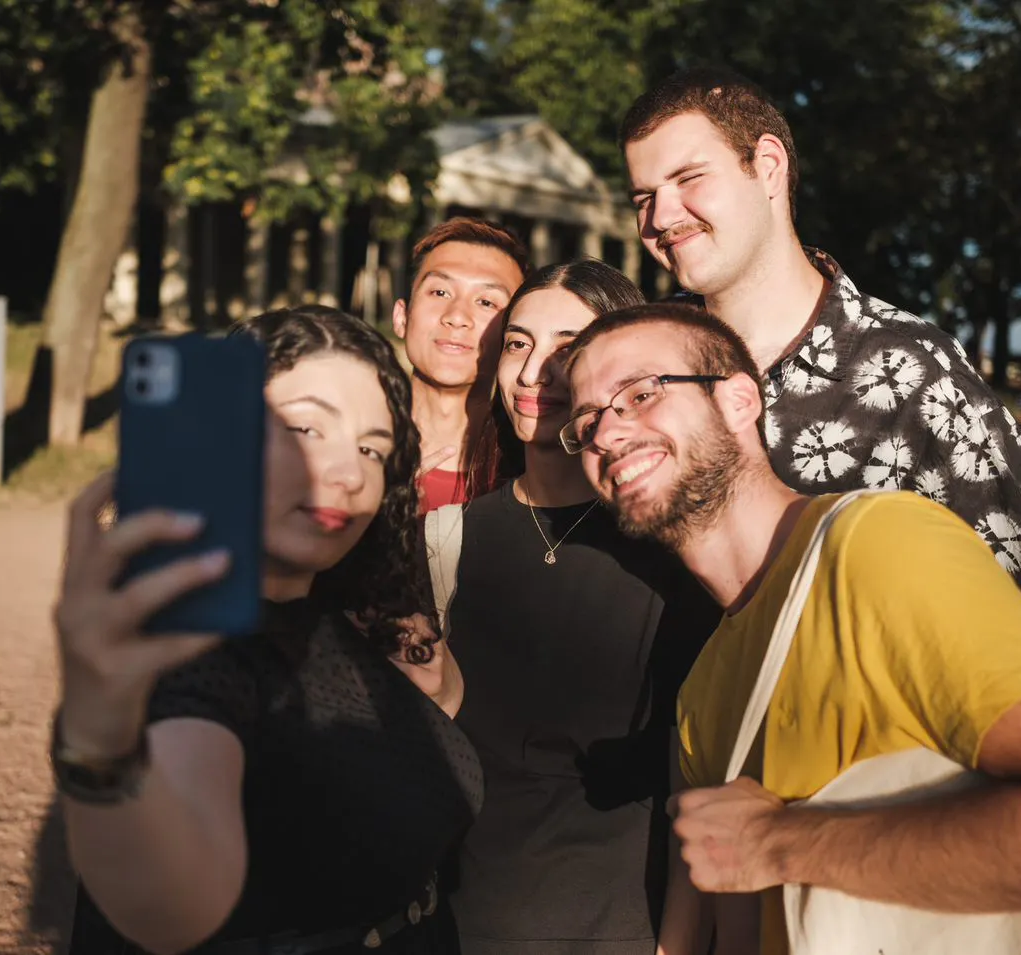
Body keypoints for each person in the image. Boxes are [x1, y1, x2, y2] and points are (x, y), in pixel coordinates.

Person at [563, 302, 1021, 955]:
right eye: (586, 420)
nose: (605, 432)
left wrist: (774, 842)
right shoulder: (700, 695)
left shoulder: (880, 542)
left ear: (738, 401)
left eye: (641, 393)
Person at [618, 66, 1021, 654]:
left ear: (768, 167)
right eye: (643, 198)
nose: (661, 217)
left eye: (689, 178)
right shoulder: (633, 357)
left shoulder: (918, 373)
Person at [53, 306, 483, 955]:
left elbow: (432, 711)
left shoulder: (335, 611)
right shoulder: (196, 646)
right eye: (305, 428)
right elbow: (173, 902)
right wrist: (97, 739)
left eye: (372, 448)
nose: (348, 473)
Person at [431, 261, 720, 955]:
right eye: (518, 344)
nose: (536, 372)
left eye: (569, 347)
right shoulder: (444, 540)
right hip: (460, 931)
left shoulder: (674, 548)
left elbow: (700, 782)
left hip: (624, 931)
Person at [392, 217, 531, 513]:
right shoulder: (344, 454)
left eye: (486, 302)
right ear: (401, 317)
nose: (457, 317)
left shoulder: (535, 480)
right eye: (440, 292)